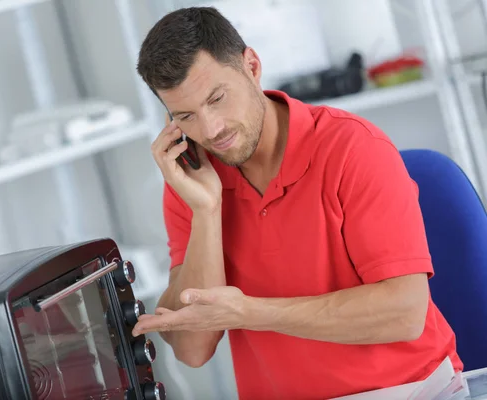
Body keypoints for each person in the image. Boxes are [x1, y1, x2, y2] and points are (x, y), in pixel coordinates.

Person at [132, 6, 463, 400]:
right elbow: (192, 348)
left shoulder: (354, 149)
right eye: (185, 116)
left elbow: (405, 314)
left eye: (217, 98)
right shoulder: (192, 183)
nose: (210, 129)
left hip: (412, 393)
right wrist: (206, 213)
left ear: (251, 66)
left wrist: (251, 313)